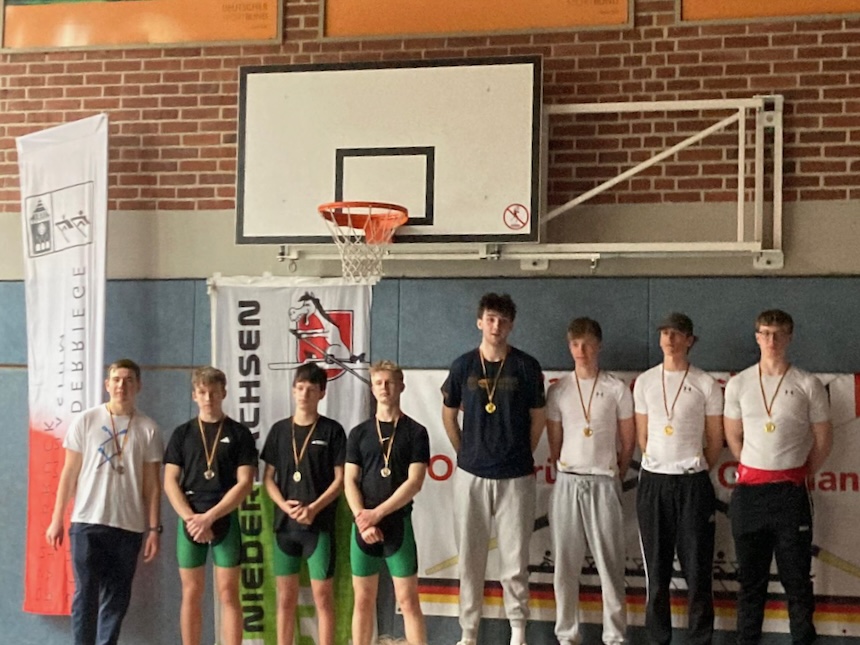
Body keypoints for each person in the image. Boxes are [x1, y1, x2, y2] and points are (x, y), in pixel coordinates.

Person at [441, 293, 546, 645]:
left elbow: (538, 419)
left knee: (514, 561)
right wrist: (465, 453)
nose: (496, 326)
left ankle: (518, 632)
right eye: (490, 318)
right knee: (470, 560)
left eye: (502, 320)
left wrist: (520, 454)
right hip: (471, 476)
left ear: (511, 325)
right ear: (479, 322)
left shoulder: (527, 367)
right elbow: (448, 415)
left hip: (516, 476)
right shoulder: (462, 366)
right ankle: (468, 633)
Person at [724, 309, 831, 645]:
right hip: (749, 496)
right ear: (757, 337)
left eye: (778, 334)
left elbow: (823, 440)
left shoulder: (808, 383)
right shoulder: (739, 384)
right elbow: (733, 438)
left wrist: (796, 472)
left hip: (790, 495)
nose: (771, 340)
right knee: (750, 583)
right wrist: (758, 467)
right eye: (765, 333)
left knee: (797, 581)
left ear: (789, 338)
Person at [45, 358, 164, 645]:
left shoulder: (148, 428)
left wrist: (153, 529)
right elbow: (68, 474)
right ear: (107, 384)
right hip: (88, 521)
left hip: (128, 526)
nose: (122, 385)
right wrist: (56, 519)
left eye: (128, 380)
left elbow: (152, 486)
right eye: (117, 380)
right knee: (85, 594)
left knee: (117, 597)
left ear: (138, 386)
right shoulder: (86, 421)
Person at [632, 313, 724, 645]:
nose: (669, 339)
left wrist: (691, 468)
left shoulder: (706, 383)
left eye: (676, 334)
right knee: (656, 574)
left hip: (692, 484)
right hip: (654, 483)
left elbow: (715, 440)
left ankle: (700, 640)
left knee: (698, 573)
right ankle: (659, 640)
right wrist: (662, 465)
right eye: (665, 333)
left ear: (690, 340)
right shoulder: (645, 382)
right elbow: (643, 437)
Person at [546, 317, 635, 645]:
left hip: (604, 482)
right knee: (565, 566)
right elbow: (554, 443)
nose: (580, 350)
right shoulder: (558, 390)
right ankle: (567, 635)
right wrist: (569, 470)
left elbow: (628, 442)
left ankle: (615, 636)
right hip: (568, 482)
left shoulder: (616, 388)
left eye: (586, 344)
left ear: (599, 346)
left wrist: (614, 474)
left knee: (610, 565)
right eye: (575, 344)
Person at [163, 367, 257, 645]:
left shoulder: (239, 434)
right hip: (190, 519)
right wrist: (192, 518)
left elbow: (245, 483)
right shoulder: (182, 434)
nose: (208, 398)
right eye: (202, 392)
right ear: (194, 395)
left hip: (223, 517)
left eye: (214, 392)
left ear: (224, 393)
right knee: (191, 592)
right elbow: (170, 481)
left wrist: (210, 517)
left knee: (228, 593)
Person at [261, 363, 346, 645]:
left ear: (322, 393)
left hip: (317, 526)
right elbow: (268, 478)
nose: (304, 394)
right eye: (300, 388)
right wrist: (285, 507)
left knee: (323, 598)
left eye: (311, 389)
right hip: (285, 526)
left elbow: (340, 481)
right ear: (293, 390)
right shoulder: (279, 430)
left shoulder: (332, 431)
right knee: (285, 598)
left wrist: (313, 508)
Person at [346, 360, 429, 645]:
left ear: (401, 386)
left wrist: (376, 514)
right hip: (363, 527)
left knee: (408, 600)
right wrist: (362, 518)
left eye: (390, 382)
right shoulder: (359, 433)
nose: (384, 388)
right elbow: (349, 481)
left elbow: (415, 482)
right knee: (363, 600)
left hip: (397, 525)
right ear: (372, 388)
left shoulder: (416, 432)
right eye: (379, 383)